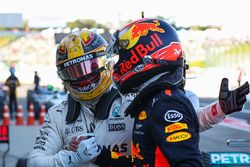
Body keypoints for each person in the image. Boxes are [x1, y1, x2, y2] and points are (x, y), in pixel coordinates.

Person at [27, 29, 249, 167]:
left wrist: (219, 109)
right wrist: (71, 159)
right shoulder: (57, 114)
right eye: (73, 72)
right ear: (63, 77)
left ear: (104, 65)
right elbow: (34, 162)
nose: (84, 77)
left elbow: (179, 123)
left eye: (89, 67)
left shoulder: (132, 99)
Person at [91, 18, 249, 167]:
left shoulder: (164, 101)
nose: (118, 64)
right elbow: (142, 160)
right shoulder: (154, 99)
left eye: (122, 56)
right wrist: (99, 155)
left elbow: (189, 163)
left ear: (142, 55)